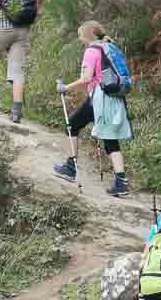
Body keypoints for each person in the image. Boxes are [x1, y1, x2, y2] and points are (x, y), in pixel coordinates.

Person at [51, 20, 132, 197]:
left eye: (80, 35)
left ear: (87, 35)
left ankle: (70, 167)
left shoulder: (91, 51)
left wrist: (65, 88)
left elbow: (86, 78)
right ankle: (121, 182)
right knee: (110, 139)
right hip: (115, 99)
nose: (79, 39)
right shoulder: (110, 47)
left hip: (99, 98)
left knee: (72, 125)